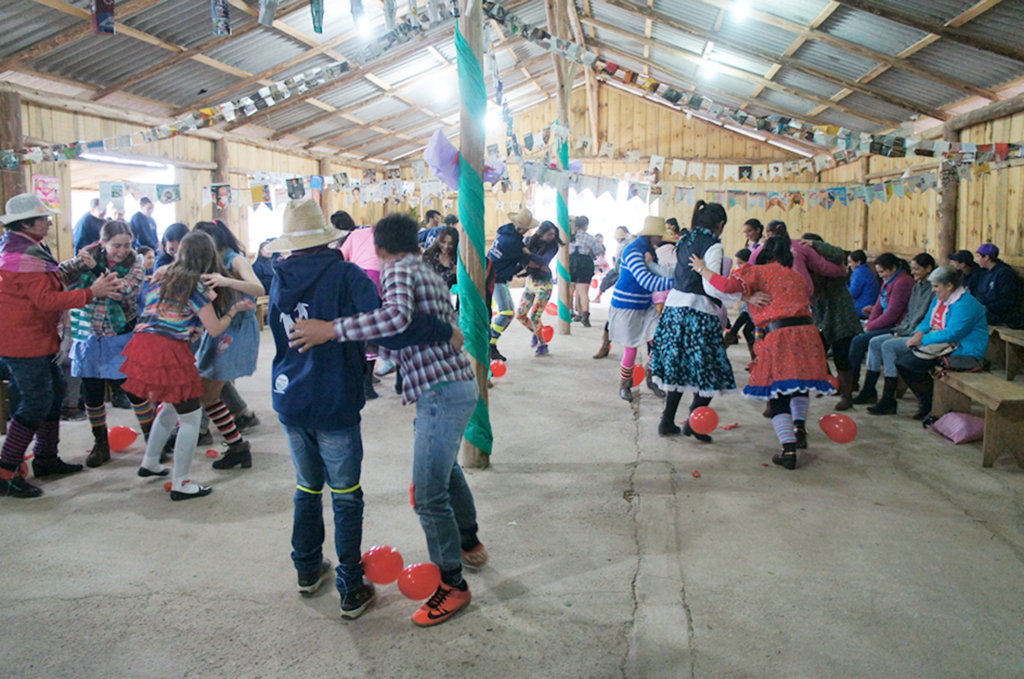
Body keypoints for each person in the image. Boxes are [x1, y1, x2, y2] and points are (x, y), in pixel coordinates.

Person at [289, 213, 487, 627]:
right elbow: (417, 325)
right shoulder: (424, 269)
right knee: (446, 469)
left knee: (430, 495)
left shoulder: (396, 270)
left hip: (441, 393)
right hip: (450, 387)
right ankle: (467, 540)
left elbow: (395, 322)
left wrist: (331, 329)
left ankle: (452, 584)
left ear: (377, 248)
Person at [0, 194, 121, 498]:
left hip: (37, 337)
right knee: (36, 401)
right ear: (27, 223)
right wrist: (91, 292)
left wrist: (79, 265)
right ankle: (6, 470)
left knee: (53, 393)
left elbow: (50, 282)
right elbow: (45, 300)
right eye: (43, 218)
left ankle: (46, 458)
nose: (49, 222)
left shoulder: (29, 248)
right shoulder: (20, 255)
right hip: (22, 340)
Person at [121, 231, 253, 500]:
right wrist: (233, 310)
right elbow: (214, 329)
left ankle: (150, 462)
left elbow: (164, 310)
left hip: (142, 343)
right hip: (168, 350)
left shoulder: (161, 273)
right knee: (191, 417)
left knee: (170, 406)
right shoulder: (198, 285)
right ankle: (181, 482)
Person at [691, 236, 836, 470]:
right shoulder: (796, 276)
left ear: (764, 253)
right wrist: (748, 296)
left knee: (777, 391)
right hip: (808, 334)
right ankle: (799, 429)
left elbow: (727, 286)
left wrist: (702, 269)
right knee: (798, 384)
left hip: (781, 336)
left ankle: (788, 450)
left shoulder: (758, 272)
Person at [64, 221, 153, 468]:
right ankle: (100, 444)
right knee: (91, 394)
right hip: (88, 334)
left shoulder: (135, 263)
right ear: (103, 243)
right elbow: (60, 276)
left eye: (126, 245)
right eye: (116, 245)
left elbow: (120, 290)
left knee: (135, 391)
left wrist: (95, 270)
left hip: (121, 333)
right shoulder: (87, 256)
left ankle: (153, 440)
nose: (122, 250)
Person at [650, 202, 740, 441]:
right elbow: (711, 283)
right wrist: (735, 295)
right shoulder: (713, 244)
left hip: (674, 308)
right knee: (710, 370)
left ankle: (667, 421)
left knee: (678, 367)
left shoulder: (685, 239)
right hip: (698, 311)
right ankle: (694, 423)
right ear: (720, 225)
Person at [192, 221, 264, 470]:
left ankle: (237, 445)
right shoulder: (207, 262)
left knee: (207, 391)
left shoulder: (235, 260)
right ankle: (236, 443)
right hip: (219, 326)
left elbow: (258, 287)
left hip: (237, 328)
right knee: (205, 388)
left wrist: (227, 281)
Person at [885, 265, 989, 420]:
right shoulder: (940, 299)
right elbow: (928, 320)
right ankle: (928, 402)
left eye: (936, 286)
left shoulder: (965, 303)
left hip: (963, 351)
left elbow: (953, 332)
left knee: (909, 364)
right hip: (943, 345)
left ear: (949, 286)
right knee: (903, 362)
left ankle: (932, 404)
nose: (933, 290)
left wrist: (922, 340)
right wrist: (918, 332)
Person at [609, 216, 674, 402]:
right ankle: (625, 384)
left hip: (646, 304)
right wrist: (679, 283)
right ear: (651, 235)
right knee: (631, 349)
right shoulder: (633, 251)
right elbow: (646, 280)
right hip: (626, 305)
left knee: (659, 339)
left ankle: (652, 377)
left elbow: (656, 273)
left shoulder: (648, 250)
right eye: (659, 236)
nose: (661, 240)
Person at [862, 254, 936, 412]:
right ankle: (868, 389)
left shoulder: (933, 289)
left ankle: (889, 398)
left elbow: (926, 318)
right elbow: (910, 314)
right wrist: (900, 331)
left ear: (928, 268)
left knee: (888, 346)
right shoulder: (917, 287)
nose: (913, 272)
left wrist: (907, 333)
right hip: (907, 330)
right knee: (874, 342)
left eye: (916, 269)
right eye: (912, 268)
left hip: (920, 334)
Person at [801, 235, 865, 411]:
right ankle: (831, 383)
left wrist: (815, 244)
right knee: (815, 350)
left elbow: (838, 253)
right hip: (822, 314)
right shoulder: (805, 264)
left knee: (841, 356)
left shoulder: (832, 264)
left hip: (840, 313)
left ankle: (846, 395)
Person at [847, 253, 915, 389]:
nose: (881, 275)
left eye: (883, 271)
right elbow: (878, 306)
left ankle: (853, 383)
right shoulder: (889, 281)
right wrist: (870, 324)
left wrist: (870, 327)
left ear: (894, 268)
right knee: (857, 336)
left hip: (897, 326)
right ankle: (856, 383)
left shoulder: (903, 282)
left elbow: (892, 314)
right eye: (879, 272)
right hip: (885, 322)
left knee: (859, 341)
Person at [487, 208, 537, 361]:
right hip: (496, 278)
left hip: (497, 275)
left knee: (510, 313)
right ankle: (490, 343)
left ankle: (492, 343)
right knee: (506, 313)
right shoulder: (513, 242)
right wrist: (539, 262)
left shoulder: (506, 233)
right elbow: (529, 261)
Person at [516, 220, 562, 357]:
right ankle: (536, 332)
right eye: (549, 234)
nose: (552, 237)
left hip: (544, 283)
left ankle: (543, 344)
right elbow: (521, 258)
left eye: (554, 234)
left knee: (535, 316)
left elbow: (544, 261)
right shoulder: (530, 240)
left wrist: (528, 255)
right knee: (520, 314)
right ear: (542, 233)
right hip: (531, 280)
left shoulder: (553, 245)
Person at [594, 226, 636, 358]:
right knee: (613, 318)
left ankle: (605, 346)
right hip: (626, 290)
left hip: (638, 293)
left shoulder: (627, 248)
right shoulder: (628, 249)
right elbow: (618, 269)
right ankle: (605, 345)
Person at [974, 244, 1024, 329]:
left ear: (986, 258)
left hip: (1004, 315)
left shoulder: (1005, 274)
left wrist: (986, 307)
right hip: (988, 311)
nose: (977, 260)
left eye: (978, 257)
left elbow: (1007, 301)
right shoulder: (986, 273)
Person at [722, 248, 757, 361]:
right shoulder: (742, 273)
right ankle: (755, 360)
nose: (738, 267)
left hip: (755, 310)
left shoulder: (754, 272)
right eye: (737, 264)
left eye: (741, 263)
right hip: (747, 308)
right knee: (741, 329)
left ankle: (756, 360)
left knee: (746, 330)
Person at [569, 216, 602, 327]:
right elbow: (598, 251)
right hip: (585, 263)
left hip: (571, 262)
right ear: (586, 225)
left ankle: (569, 311)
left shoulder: (570, 236)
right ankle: (585, 315)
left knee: (570, 289)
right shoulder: (590, 238)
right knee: (583, 292)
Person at [422, 225, 458, 290]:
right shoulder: (429, 255)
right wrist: (450, 273)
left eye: (450, 243)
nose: (446, 246)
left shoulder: (457, 257)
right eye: (443, 242)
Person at [847, 250, 880, 319]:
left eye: (850, 262)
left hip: (862, 310)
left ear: (858, 262)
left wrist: (843, 286)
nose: (849, 265)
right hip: (870, 306)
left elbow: (852, 294)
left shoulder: (859, 272)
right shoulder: (867, 271)